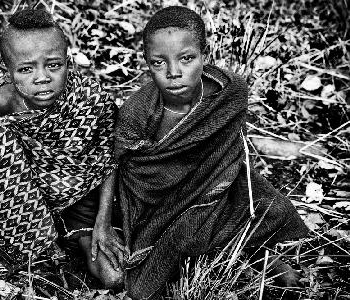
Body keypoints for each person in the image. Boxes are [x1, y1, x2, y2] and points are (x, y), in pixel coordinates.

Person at [114, 6, 310, 299]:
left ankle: (253, 250)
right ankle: (216, 250)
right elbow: (113, 165)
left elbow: (228, 155)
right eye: (159, 63)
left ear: (204, 54)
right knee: (169, 248)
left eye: (187, 58)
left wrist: (221, 184)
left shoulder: (228, 92)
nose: (174, 73)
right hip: (156, 204)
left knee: (270, 207)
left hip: (216, 186)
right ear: (146, 62)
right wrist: (103, 225)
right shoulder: (137, 111)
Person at [0, 9, 124, 289]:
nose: (42, 77)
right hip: (31, 201)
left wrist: (103, 223)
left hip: (83, 205)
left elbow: (109, 161)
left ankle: (73, 239)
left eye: (54, 65)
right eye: (26, 69)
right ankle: (39, 245)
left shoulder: (90, 99)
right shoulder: (2, 102)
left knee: (114, 277)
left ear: (68, 62)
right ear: (7, 72)